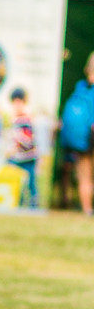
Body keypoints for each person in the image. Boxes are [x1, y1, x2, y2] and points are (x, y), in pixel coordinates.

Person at [61, 52, 94, 215]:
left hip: (81, 138)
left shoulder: (79, 88)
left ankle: (87, 209)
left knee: (84, 175)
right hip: (91, 135)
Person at [6, 88, 39, 209]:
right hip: (17, 158)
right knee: (17, 183)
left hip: (28, 157)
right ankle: (19, 204)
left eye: (19, 101)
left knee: (31, 183)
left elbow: (29, 140)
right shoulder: (13, 119)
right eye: (15, 102)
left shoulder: (26, 119)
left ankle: (33, 204)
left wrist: (19, 140)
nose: (17, 105)